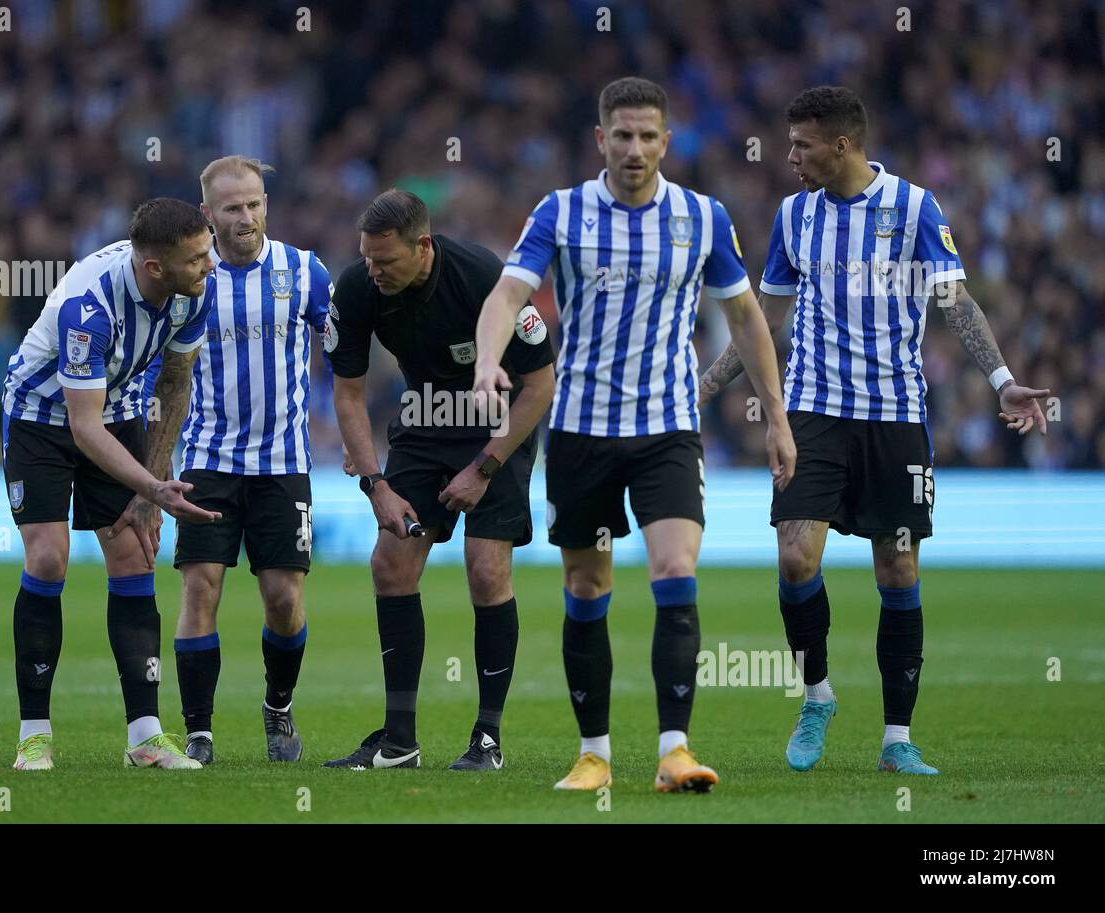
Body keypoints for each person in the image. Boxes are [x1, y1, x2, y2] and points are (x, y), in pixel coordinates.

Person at [698, 86, 1051, 775]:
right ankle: (817, 694)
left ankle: (897, 738)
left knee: (898, 568)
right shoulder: (794, 215)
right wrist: (702, 391)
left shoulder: (915, 207)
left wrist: (1003, 377)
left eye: (802, 144)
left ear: (842, 144)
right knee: (797, 557)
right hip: (813, 411)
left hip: (895, 416)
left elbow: (955, 300)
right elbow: (762, 322)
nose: (790, 156)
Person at [474, 76, 795, 793]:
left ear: (665, 142)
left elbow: (746, 320)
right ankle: (593, 753)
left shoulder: (702, 217)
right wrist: (489, 359)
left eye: (648, 136)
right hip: (583, 429)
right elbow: (507, 293)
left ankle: (675, 750)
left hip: (667, 428)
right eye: (622, 135)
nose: (635, 149)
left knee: (675, 571)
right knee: (587, 584)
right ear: (600, 139)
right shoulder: (561, 212)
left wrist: (775, 417)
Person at [322, 189, 555, 771]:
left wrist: (484, 467)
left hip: (497, 426)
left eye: (386, 261)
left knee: (485, 566)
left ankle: (488, 740)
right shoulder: (355, 289)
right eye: (367, 259)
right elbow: (347, 393)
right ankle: (399, 741)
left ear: (423, 246)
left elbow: (540, 386)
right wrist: (375, 483)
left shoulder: (486, 279)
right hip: (424, 423)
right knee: (390, 563)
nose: (373, 271)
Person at [1, 198, 222, 771]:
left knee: (133, 557)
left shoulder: (194, 290)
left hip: (119, 409)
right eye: (197, 257)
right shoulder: (89, 306)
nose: (212, 264)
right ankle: (35, 736)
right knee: (49, 559)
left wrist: (156, 476)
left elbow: (175, 383)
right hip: (42, 419)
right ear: (154, 268)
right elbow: (83, 427)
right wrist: (151, 487)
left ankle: (145, 737)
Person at [169, 155, 333, 765]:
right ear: (208, 215)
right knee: (200, 589)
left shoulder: (305, 270)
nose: (248, 217)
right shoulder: (192, 278)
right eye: (234, 208)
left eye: (256, 203)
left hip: (283, 463)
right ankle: (199, 731)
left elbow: (345, 353)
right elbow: (165, 372)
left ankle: (279, 706)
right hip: (208, 460)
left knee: (284, 599)